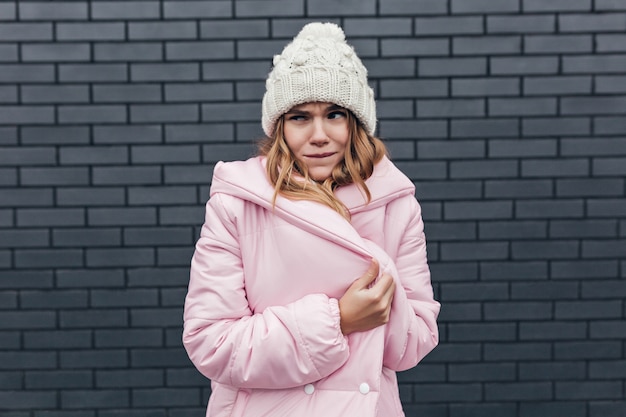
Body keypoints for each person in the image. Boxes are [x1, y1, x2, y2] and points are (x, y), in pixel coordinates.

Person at [183, 22, 440, 417]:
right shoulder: (238, 203)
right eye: (300, 117)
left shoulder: (397, 205)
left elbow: (414, 344)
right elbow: (211, 342)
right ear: (280, 128)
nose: (319, 135)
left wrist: (381, 307)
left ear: (355, 123)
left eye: (335, 114)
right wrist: (338, 320)